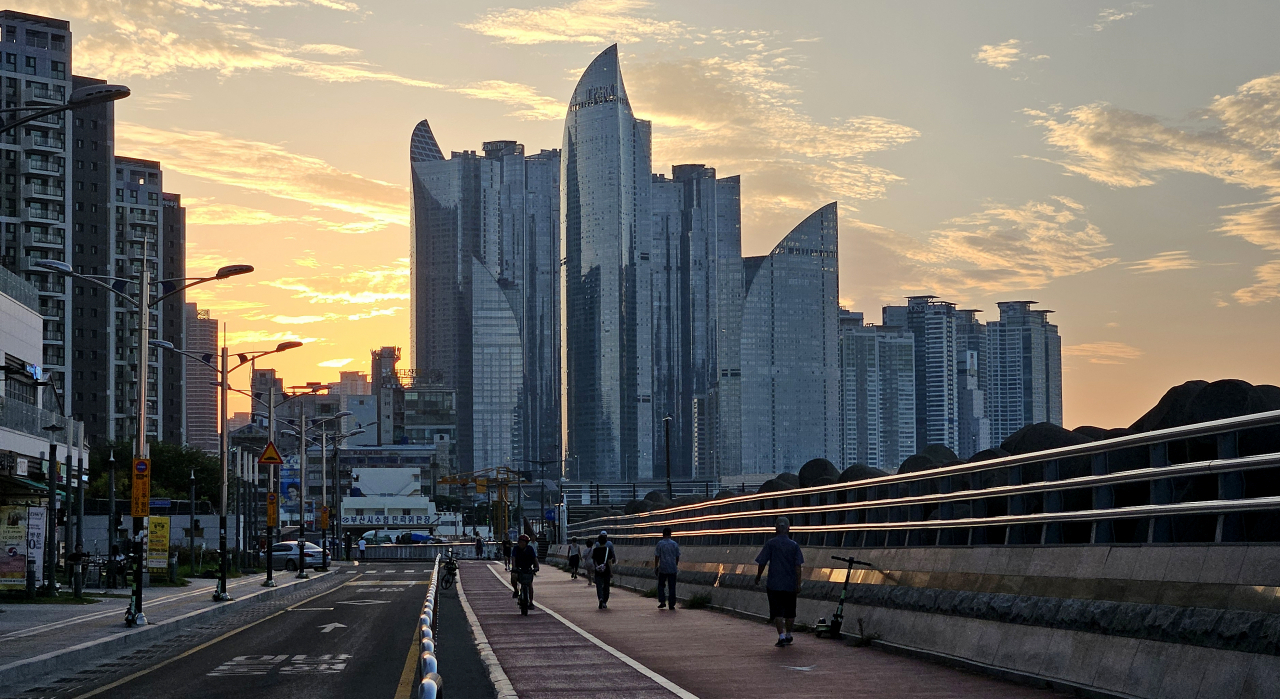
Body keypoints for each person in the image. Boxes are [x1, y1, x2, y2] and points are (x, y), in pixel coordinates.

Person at [754, 517, 805, 647]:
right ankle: (789, 635)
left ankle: (781, 636)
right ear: (789, 528)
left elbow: (762, 562)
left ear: (775, 528)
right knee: (790, 611)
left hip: (774, 584)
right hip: (790, 584)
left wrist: (758, 576)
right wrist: (798, 583)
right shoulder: (794, 545)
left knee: (777, 611)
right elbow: (798, 566)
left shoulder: (771, 544)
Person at [654, 527, 680, 610]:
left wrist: (656, 566)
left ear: (663, 534)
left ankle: (662, 601)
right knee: (672, 586)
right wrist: (675, 564)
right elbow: (677, 556)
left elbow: (657, 556)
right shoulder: (674, 544)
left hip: (663, 567)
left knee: (661, 585)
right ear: (670, 534)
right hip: (672, 568)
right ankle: (671, 604)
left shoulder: (660, 544)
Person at [590, 531, 616, 609]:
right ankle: (604, 601)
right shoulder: (608, 550)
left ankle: (600, 598)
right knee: (606, 586)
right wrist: (611, 572)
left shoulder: (595, 550)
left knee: (599, 585)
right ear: (606, 541)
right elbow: (609, 562)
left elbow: (594, 561)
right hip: (606, 570)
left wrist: (595, 568)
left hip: (598, 571)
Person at [511, 534, 540, 604]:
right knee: (513, 577)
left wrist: (537, 567)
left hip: (527, 568)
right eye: (520, 542)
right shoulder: (516, 549)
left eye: (523, 542)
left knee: (530, 585)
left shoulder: (530, 549)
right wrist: (514, 568)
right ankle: (516, 590)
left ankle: (531, 602)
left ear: (526, 543)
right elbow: (513, 558)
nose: (521, 544)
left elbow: (535, 558)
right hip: (518, 568)